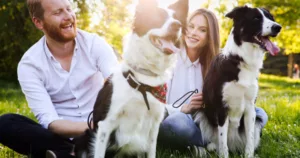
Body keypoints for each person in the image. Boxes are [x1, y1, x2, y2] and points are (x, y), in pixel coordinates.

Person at [0, 0, 118, 157]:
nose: (68, 16)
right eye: (57, 12)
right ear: (38, 22)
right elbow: (51, 123)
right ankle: (73, 152)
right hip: (62, 137)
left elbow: (118, 85)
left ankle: (68, 155)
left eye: (69, 9)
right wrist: (95, 127)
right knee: (6, 123)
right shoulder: (30, 64)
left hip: (106, 131)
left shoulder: (94, 44)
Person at [158, 8, 268, 154]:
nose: (193, 33)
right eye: (191, 26)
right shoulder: (169, 59)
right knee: (174, 125)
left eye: (202, 30)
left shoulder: (217, 63)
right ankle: (204, 144)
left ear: (210, 35)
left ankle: (212, 142)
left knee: (260, 114)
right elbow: (156, 107)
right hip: (179, 118)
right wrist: (184, 108)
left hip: (208, 120)